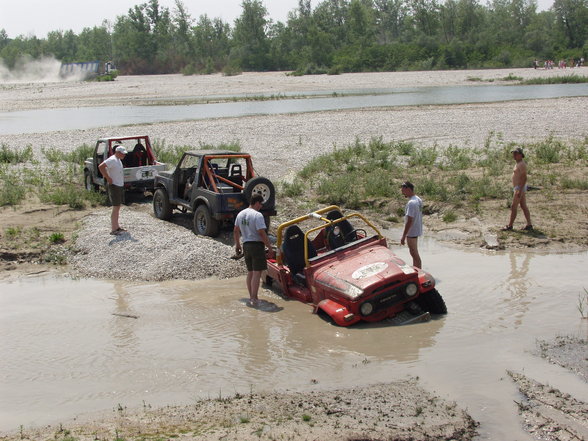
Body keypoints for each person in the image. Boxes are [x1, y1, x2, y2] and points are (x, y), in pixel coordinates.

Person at [233, 194, 274, 307]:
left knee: (250, 272)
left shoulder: (240, 214)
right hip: (256, 245)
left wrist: (237, 245)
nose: (261, 206)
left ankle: (251, 296)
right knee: (257, 273)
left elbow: (236, 230)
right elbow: (261, 233)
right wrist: (269, 248)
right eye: (260, 204)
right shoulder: (257, 215)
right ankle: (254, 298)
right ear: (256, 202)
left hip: (246, 245)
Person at [98, 145, 128, 235]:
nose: (124, 155)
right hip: (114, 185)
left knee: (118, 206)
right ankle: (113, 229)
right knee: (115, 207)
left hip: (119, 185)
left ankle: (117, 227)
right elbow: (101, 166)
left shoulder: (118, 160)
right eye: (122, 154)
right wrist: (107, 177)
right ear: (117, 152)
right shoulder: (112, 159)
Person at [503, 147, 532, 231]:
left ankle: (510, 225)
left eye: (516, 154)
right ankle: (529, 224)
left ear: (520, 155)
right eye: (513, 154)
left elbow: (524, 178)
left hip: (519, 188)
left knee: (513, 206)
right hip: (519, 187)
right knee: (523, 206)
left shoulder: (521, 164)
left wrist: (519, 190)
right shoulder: (518, 163)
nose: (514, 155)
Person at [400, 181, 423, 269]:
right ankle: (416, 270)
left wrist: (403, 236)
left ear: (408, 189)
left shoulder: (411, 203)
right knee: (414, 253)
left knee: (414, 253)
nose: (402, 192)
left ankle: (419, 272)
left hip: (412, 232)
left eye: (403, 190)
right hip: (416, 230)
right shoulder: (418, 199)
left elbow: (409, 220)